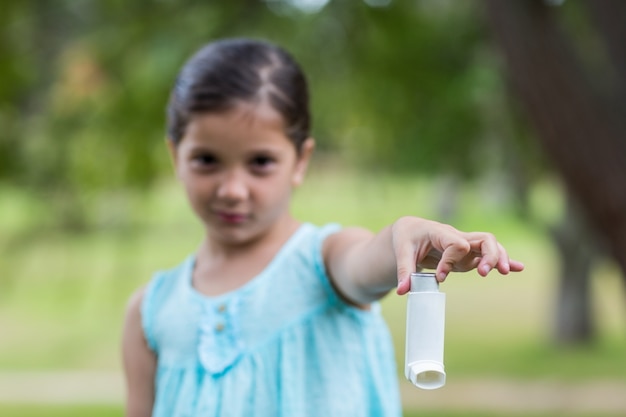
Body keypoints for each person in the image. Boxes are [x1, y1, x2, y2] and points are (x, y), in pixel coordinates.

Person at [122, 37, 524, 417]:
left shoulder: (324, 261)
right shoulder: (150, 312)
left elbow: (364, 264)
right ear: (176, 156)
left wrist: (405, 236)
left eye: (260, 162)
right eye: (207, 160)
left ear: (300, 160)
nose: (232, 190)